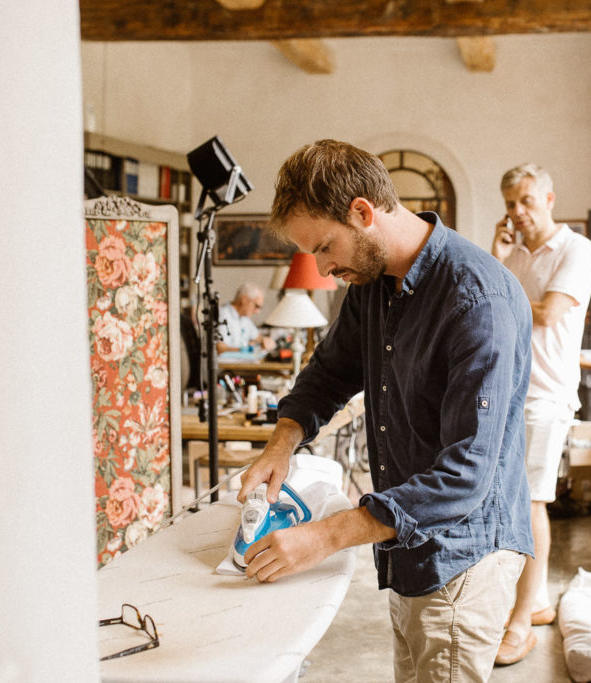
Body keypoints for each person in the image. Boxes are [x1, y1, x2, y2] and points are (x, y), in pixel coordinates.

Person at [236, 139, 535, 682]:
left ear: (362, 212)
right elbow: (329, 373)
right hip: (409, 547)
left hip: (462, 557)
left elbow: (465, 475)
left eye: (325, 248)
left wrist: (322, 538)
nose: (324, 269)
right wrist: (282, 442)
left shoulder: (477, 298)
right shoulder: (374, 284)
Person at [490, 163, 591, 666]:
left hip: (546, 395)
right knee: (508, 500)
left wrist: (495, 282)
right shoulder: (514, 256)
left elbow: (549, 313)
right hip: (509, 390)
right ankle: (532, 603)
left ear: (550, 199)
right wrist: (498, 261)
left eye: (527, 200)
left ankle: (520, 622)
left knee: (531, 503)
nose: (518, 211)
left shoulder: (576, 250)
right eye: (511, 203)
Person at [216, 283, 273, 353]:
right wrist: (248, 349)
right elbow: (220, 348)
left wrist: (264, 340)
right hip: (228, 362)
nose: (257, 312)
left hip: (243, 362)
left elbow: (258, 337)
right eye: (256, 306)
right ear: (244, 300)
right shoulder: (222, 314)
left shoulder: (244, 318)